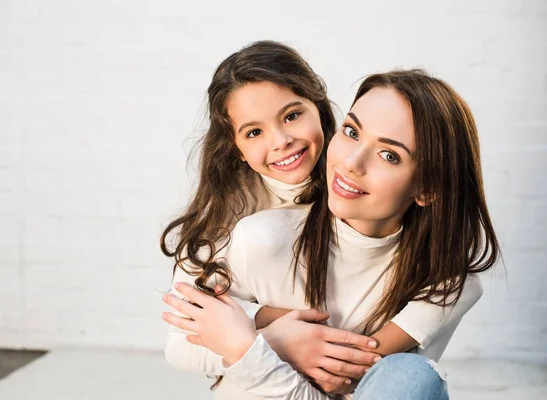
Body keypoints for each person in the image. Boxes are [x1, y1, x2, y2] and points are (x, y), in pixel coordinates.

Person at [162, 69, 501, 399]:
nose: (352, 162)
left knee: (411, 375)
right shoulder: (255, 233)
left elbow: (343, 381)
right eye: (353, 132)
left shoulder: (448, 282)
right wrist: (274, 336)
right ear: (237, 148)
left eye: (389, 155)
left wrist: (250, 344)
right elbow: (180, 344)